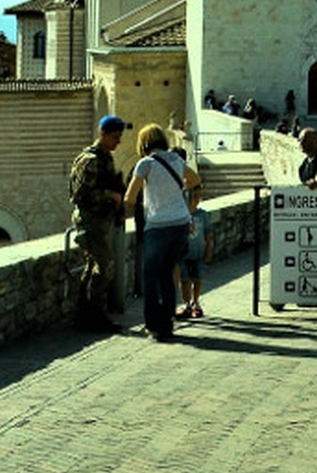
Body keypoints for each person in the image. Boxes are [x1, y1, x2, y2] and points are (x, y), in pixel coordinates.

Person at [122, 123, 199, 341]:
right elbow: (195, 180)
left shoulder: (145, 164)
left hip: (158, 225)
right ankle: (167, 323)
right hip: (181, 223)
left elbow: (130, 196)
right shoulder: (176, 160)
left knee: (150, 276)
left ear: (144, 143)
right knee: (167, 274)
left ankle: (154, 325)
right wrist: (175, 191)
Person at [68, 115, 127, 334]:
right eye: (115, 137)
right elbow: (80, 194)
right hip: (89, 220)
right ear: (103, 134)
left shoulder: (105, 158)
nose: (118, 142)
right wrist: (109, 195)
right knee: (104, 266)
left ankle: (85, 316)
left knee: (94, 267)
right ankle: (94, 316)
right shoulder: (90, 160)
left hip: (100, 220)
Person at [178, 197, 210, 320]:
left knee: (198, 278)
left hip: (198, 252)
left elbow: (208, 234)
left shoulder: (202, 215)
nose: (194, 200)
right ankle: (186, 305)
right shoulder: (181, 215)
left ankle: (196, 302)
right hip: (184, 253)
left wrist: (208, 250)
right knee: (184, 279)